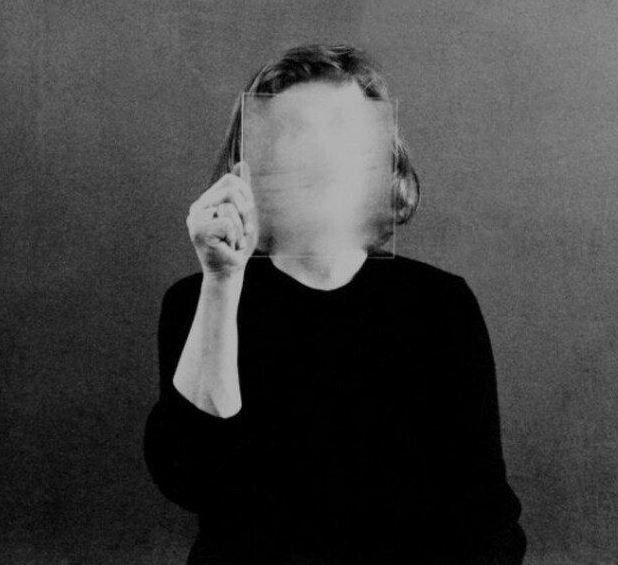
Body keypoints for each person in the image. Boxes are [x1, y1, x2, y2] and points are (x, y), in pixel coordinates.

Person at [143, 44, 527, 565]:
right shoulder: (197, 299)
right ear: (252, 161)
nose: (320, 152)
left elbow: (484, 514)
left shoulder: (438, 306)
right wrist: (222, 280)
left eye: (342, 129)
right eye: (294, 131)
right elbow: (192, 478)